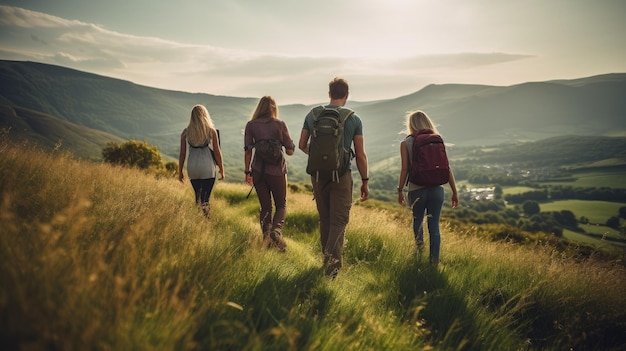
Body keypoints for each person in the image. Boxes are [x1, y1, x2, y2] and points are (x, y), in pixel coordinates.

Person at [298, 77, 369, 279]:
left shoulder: (312, 115)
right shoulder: (353, 119)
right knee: (339, 220)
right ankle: (331, 267)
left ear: (329, 93)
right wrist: (365, 181)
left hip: (318, 175)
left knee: (325, 219)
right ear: (346, 95)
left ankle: (327, 261)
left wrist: (321, 158)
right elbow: (361, 155)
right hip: (342, 175)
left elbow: (302, 145)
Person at [397, 110, 458, 264]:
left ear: (410, 124)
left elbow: (405, 169)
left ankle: (419, 254)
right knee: (434, 226)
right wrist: (454, 192)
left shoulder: (406, 143)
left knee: (418, 222)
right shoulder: (437, 140)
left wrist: (400, 190)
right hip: (437, 189)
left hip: (416, 189)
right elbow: (447, 167)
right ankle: (434, 262)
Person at [244, 96, 295, 251]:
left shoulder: (251, 125)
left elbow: (247, 151)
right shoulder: (279, 124)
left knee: (265, 208)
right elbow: (290, 150)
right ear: (274, 108)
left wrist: (247, 172)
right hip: (277, 171)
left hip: (258, 170)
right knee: (281, 205)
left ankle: (267, 243)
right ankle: (276, 232)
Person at [178, 104, 224, 217]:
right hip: (207, 167)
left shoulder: (186, 132)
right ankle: (206, 223)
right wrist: (222, 170)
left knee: (197, 197)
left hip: (192, 167)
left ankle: (198, 222)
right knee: (205, 198)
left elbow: (182, 154)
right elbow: (217, 153)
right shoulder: (211, 131)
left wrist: (180, 171)